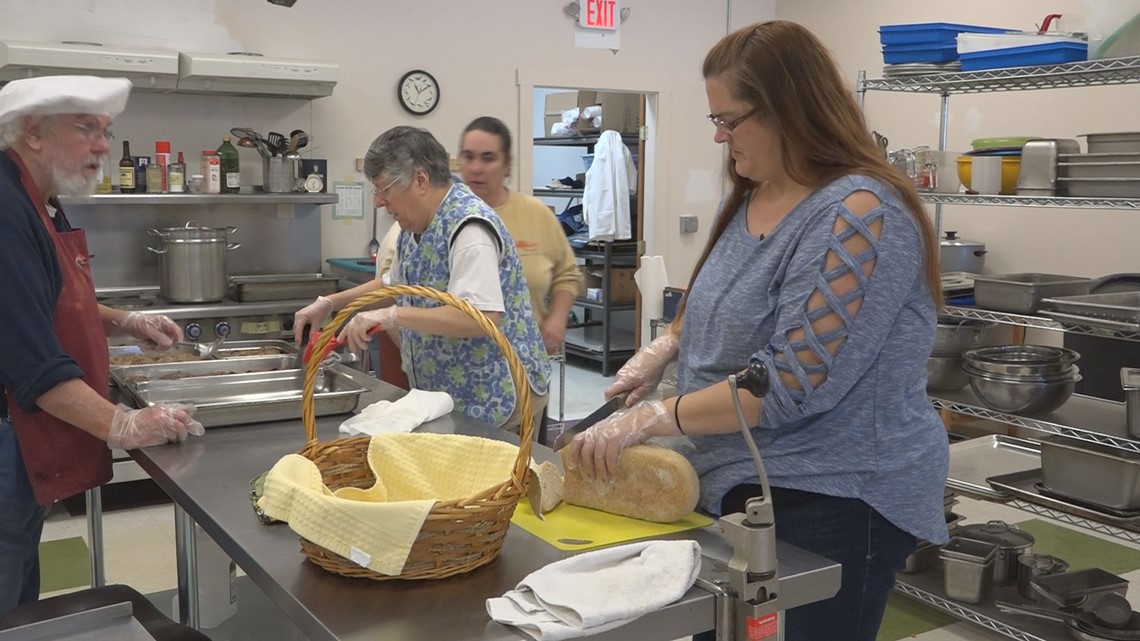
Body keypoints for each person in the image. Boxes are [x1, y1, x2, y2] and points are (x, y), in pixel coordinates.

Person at [562, 21, 948, 641]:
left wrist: (655, 418)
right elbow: (713, 297)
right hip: (739, 485)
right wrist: (666, 347)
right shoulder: (751, 195)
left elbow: (785, 384)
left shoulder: (858, 213)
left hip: (834, 496)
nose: (719, 136)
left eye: (730, 119)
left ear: (791, 108)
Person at [0, 76, 204, 616]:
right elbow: (35, 367)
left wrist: (125, 322)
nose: (102, 147)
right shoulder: (3, 208)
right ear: (33, 132)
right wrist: (126, 424)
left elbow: (52, 304)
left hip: (21, 444)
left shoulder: (40, 198)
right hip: (8, 441)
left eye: (106, 133)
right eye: (86, 129)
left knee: (19, 602)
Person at [337, 126, 550, 433]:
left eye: (384, 190)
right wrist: (330, 303)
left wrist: (392, 315)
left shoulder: (469, 228)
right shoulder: (415, 226)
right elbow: (393, 286)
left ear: (421, 180)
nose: (379, 202)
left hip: (494, 392)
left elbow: (481, 318)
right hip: (453, 393)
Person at [457, 116, 582, 355]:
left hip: (524, 360)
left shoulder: (535, 214)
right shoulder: (442, 218)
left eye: (488, 158)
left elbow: (567, 274)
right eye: (468, 156)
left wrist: (556, 320)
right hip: (457, 365)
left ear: (507, 165)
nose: (476, 168)